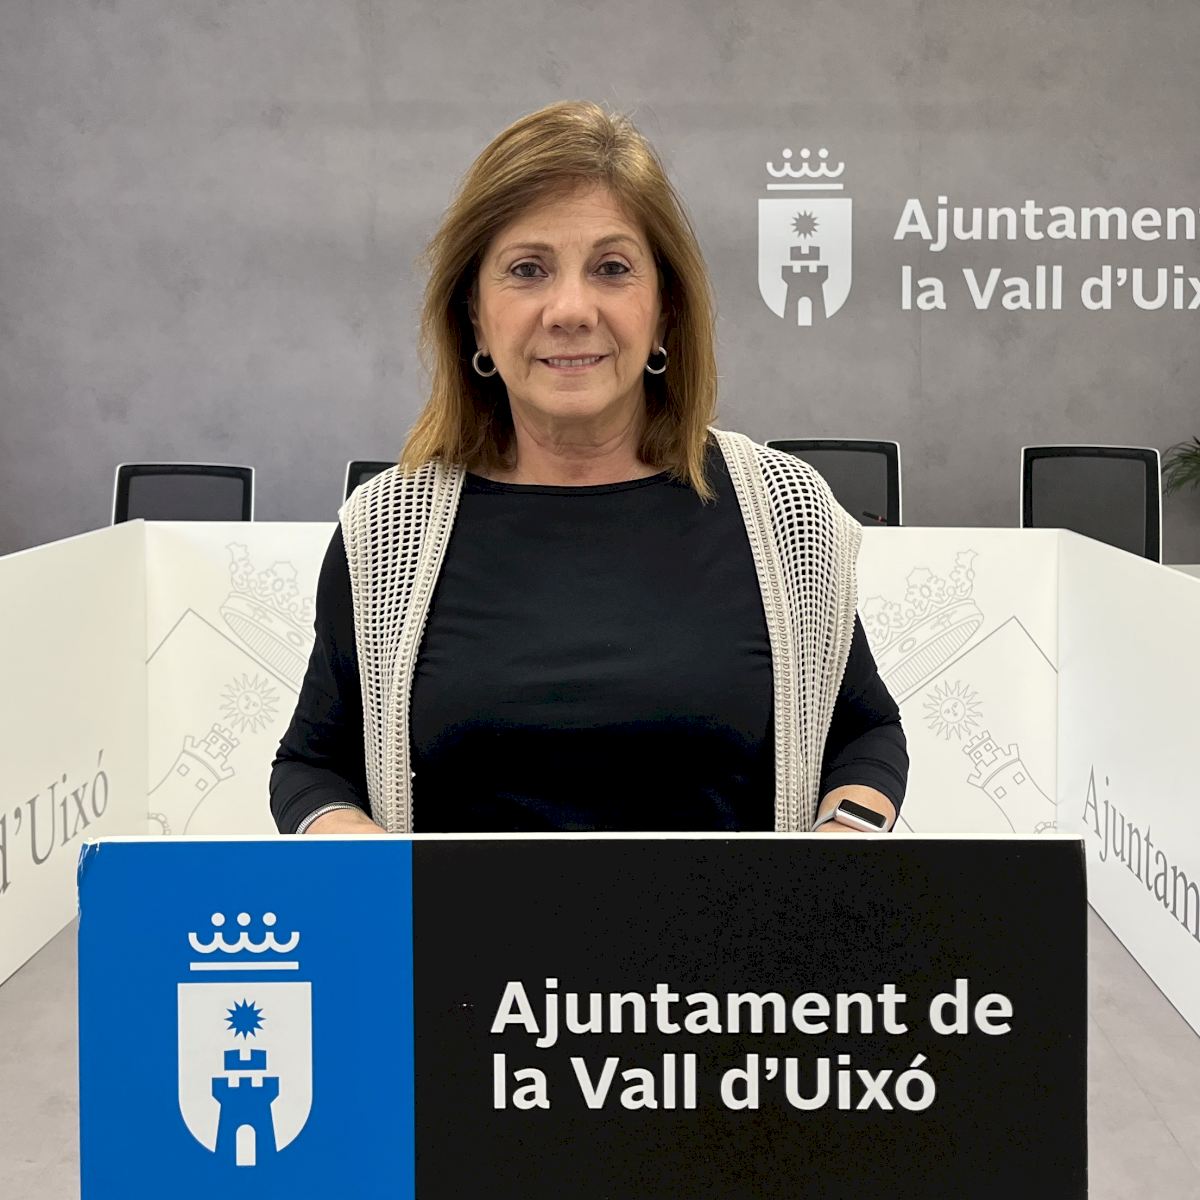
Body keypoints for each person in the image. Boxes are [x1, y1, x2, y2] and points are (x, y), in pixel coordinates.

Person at [270, 101, 908, 838]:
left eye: (611, 269)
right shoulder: (388, 532)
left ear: (664, 309)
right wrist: (364, 859)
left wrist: (843, 844)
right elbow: (311, 766)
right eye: (527, 270)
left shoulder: (784, 512)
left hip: (734, 921)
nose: (570, 309)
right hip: (462, 921)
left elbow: (865, 733)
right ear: (474, 315)